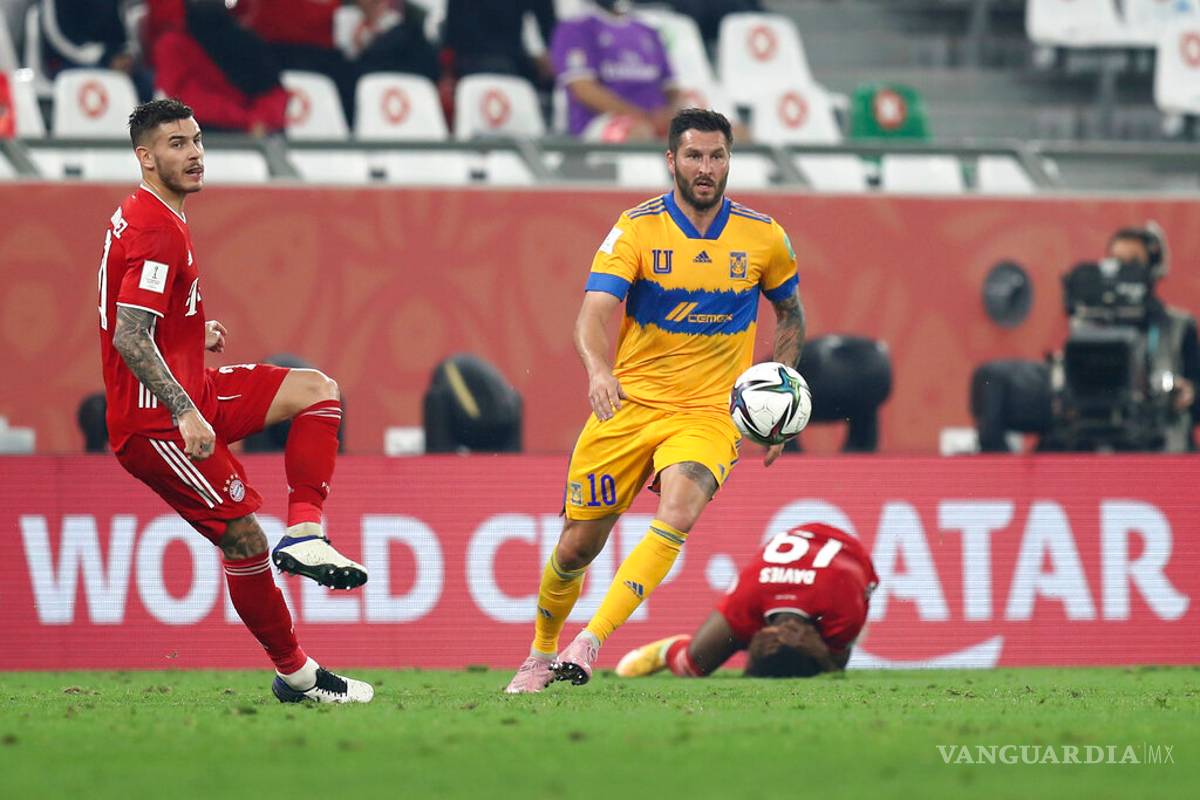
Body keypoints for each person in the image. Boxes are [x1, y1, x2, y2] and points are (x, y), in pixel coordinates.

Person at [505, 107, 806, 694]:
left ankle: (590, 641)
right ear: (671, 160)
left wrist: (780, 400)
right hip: (629, 406)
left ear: (728, 162)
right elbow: (593, 313)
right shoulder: (636, 229)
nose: (706, 168)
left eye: (717, 156)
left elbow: (790, 311)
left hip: (707, 415)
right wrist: (598, 371)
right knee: (576, 548)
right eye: (694, 156)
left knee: (678, 512)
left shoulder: (764, 236)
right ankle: (540, 653)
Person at [97, 99, 370, 703]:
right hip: (156, 422)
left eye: (196, 140)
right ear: (145, 157)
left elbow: (145, 317)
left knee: (316, 390)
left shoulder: (154, 213)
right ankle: (298, 676)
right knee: (243, 538)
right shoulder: (154, 229)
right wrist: (184, 410)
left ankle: (303, 535)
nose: (194, 153)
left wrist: (193, 330)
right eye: (176, 144)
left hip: (195, 386)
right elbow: (128, 335)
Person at [614, 523, 879, 679]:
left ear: (756, 637)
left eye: (773, 642)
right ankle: (667, 649)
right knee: (691, 661)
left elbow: (834, 670)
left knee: (694, 666)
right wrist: (824, 656)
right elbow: (834, 669)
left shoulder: (841, 613)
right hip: (841, 557)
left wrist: (822, 655)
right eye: (786, 642)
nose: (784, 635)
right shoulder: (843, 613)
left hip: (844, 566)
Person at [550, 0, 680, 141]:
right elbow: (583, 89)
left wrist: (671, 114)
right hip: (600, 123)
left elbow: (671, 87)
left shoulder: (648, 30)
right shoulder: (576, 27)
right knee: (639, 132)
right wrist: (643, 116)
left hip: (655, 121)